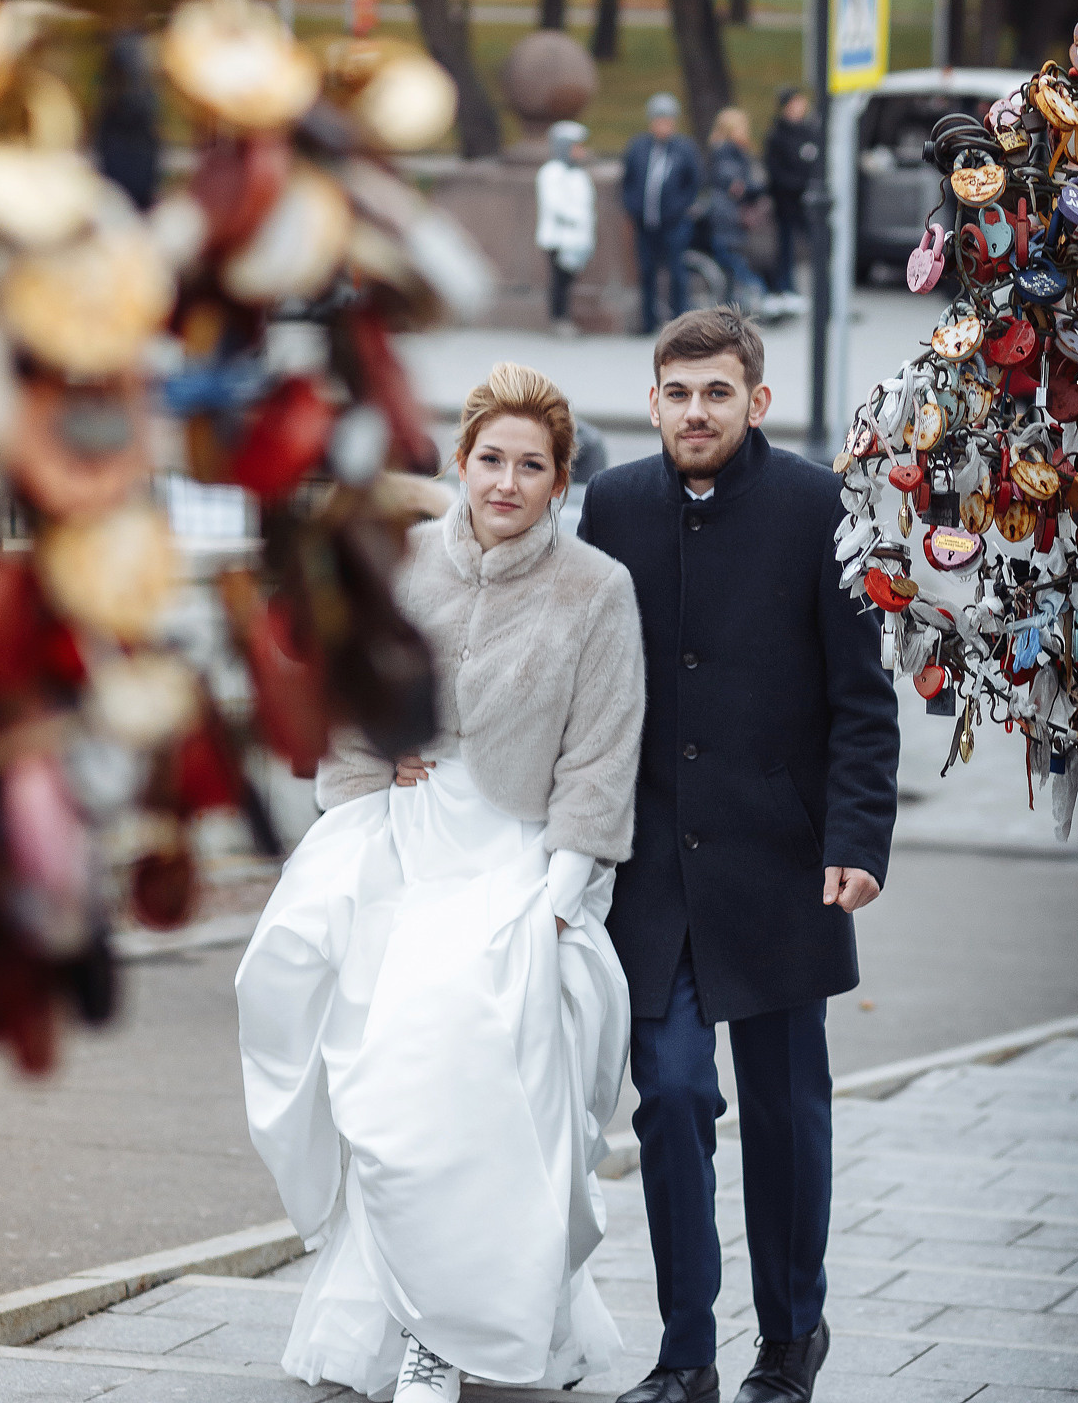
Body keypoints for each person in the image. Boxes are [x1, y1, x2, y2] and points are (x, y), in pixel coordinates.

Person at [236, 364, 646, 1403]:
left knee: (466, 1085)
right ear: (459, 464)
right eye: (490, 461)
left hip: (514, 861)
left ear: (561, 481)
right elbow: (346, 698)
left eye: (531, 466)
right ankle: (392, 1317)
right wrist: (375, 761)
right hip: (401, 844)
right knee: (374, 1083)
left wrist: (561, 893)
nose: (506, 483)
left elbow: (600, 758)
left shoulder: (597, 590)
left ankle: (451, 1336)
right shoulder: (405, 562)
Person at [578, 307, 899, 1403]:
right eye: (676, 392)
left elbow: (862, 699)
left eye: (716, 392)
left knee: (780, 1114)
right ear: (654, 397)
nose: (694, 411)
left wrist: (858, 839)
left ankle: (786, 1342)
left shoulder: (820, 506)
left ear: (754, 401)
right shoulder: (611, 505)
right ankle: (683, 1358)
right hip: (651, 874)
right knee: (667, 1098)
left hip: (781, 867)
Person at [622, 94, 702, 335]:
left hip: (673, 223)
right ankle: (647, 323)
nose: (663, 126)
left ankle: (681, 326)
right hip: (645, 223)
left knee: (677, 272)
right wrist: (632, 206)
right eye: (658, 120)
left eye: (667, 120)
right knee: (646, 272)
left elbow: (694, 182)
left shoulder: (684, 150)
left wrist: (679, 207)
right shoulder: (639, 147)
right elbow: (628, 180)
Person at [536, 121, 597, 332]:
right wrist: (576, 218)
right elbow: (555, 205)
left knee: (569, 281)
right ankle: (558, 318)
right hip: (558, 237)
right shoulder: (552, 172)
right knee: (559, 280)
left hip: (577, 238)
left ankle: (565, 316)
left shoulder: (578, 174)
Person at [705, 108, 764, 310]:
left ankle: (730, 307)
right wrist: (756, 187)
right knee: (732, 264)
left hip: (729, 217)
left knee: (731, 267)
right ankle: (757, 294)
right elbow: (737, 186)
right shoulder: (728, 154)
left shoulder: (727, 153)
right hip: (727, 218)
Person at [764, 87, 817, 305]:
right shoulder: (777, 135)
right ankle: (785, 287)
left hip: (809, 201)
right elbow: (774, 170)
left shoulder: (808, 132)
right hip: (786, 200)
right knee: (786, 246)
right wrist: (796, 184)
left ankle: (820, 288)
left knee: (817, 243)